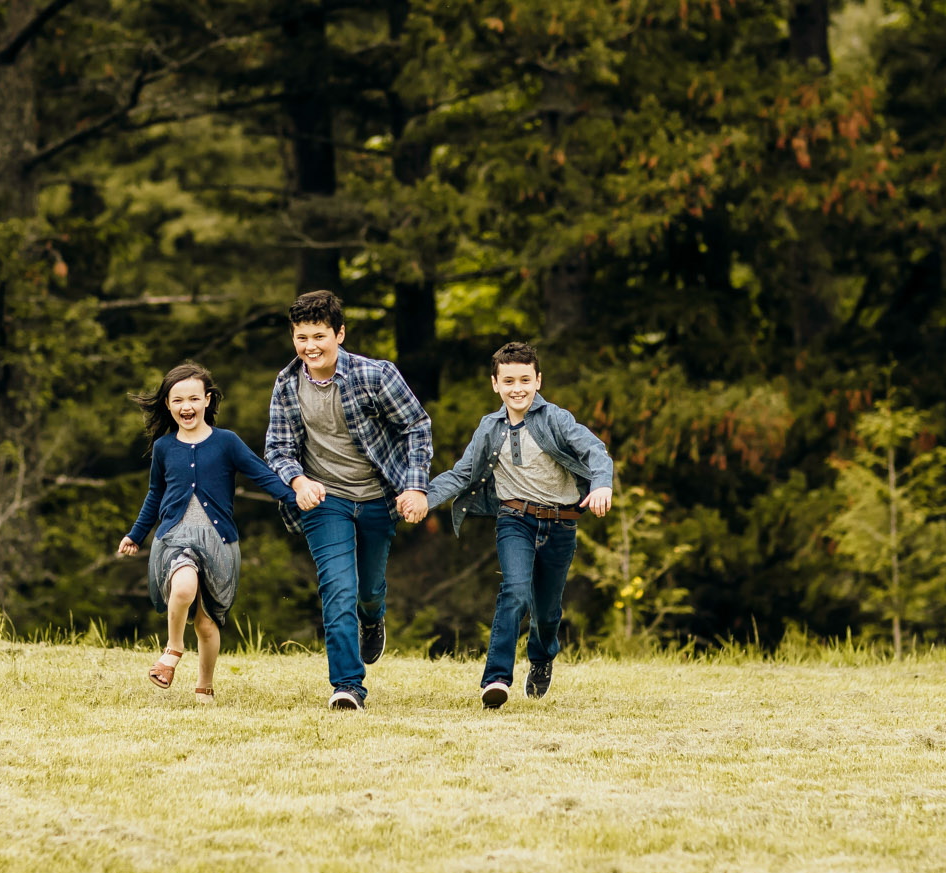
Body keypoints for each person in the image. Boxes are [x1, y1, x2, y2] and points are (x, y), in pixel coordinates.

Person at [264, 290, 432, 710]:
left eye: (319, 335)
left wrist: (413, 486)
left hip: (378, 497)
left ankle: (373, 617)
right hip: (325, 500)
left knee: (369, 588)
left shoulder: (376, 376)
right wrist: (299, 481)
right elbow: (278, 449)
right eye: (301, 337)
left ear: (339, 333)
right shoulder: (287, 385)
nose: (310, 346)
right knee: (338, 587)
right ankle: (348, 686)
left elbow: (417, 426)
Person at [427, 341, 613, 707]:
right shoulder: (489, 427)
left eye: (525, 380)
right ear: (495, 384)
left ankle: (541, 659)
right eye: (508, 380)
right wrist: (424, 496)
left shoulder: (556, 419)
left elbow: (595, 450)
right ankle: (496, 679)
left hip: (560, 524)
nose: (517, 388)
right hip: (514, 520)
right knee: (514, 591)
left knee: (547, 611)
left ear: (538, 380)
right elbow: (463, 473)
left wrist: (602, 483)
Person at [118, 362, 293, 704]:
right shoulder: (164, 448)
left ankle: (204, 687)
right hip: (174, 538)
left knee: (206, 624)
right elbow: (155, 494)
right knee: (183, 585)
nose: (186, 407)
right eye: (178, 400)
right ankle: (172, 650)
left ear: (208, 400)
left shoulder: (227, 442)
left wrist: (294, 495)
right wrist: (137, 534)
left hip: (218, 542)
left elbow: (262, 474)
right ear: (168, 405)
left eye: (194, 399)